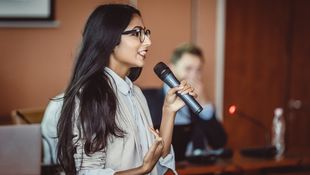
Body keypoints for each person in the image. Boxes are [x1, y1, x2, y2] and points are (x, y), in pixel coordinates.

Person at [41, 4, 198, 175]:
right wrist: (143, 169)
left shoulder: (135, 93)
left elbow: (157, 166)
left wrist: (169, 112)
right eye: (137, 33)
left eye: (146, 32)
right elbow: (87, 173)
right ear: (109, 38)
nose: (148, 41)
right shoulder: (89, 96)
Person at [143, 43, 227, 162]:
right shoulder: (148, 98)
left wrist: (203, 102)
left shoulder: (197, 102)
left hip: (195, 168)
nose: (194, 76)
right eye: (188, 69)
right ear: (172, 68)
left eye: (198, 70)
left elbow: (219, 142)